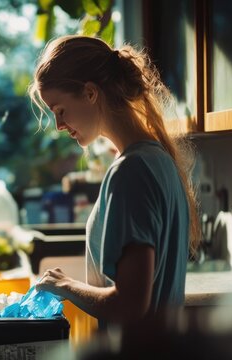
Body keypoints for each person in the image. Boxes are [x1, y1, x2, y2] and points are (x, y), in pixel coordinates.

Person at [30, 36, 200, 327]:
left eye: (60, 110)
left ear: (90, 93)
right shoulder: (157, 159)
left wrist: (64, 285)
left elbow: (129, 305)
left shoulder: (130, 172)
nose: (58, 126)